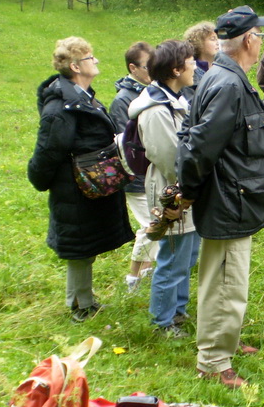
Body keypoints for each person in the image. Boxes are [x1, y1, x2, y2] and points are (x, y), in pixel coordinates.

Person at [177, 6, 264, 388]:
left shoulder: (223, 76)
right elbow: (199, 147)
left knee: (224, 280)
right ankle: (214, 362)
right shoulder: (229, 84)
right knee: (225, 284)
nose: (261, 42)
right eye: (260, 36)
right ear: (249, 40)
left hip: (234, 197)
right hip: (228, 200)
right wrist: (188, 192)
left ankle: (224, 344)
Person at [28, 37, 134, 322]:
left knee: (85, 247)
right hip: (74, 187)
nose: (95, 60)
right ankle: (78, 304)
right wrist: (38, 178)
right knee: (79, 249)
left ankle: (85, 299)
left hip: (87, 184)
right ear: (75, 66)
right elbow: (48, 150)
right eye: (90, 57)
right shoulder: (61, 107)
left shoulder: (81, 97)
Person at [128, 40, 199, 337]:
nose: (195, 65)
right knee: (171, 258)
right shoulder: (156, 109)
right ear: (175, 69)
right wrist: (190, 184)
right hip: (173, 192)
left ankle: (178, 311)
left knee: (187, 255)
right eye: (190, 61)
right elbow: (169, 157)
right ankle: (162, 322)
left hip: (187, 190)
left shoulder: (176, 99)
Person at [109, 41, 159, 291]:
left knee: (156, 223)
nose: (153, 70)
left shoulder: (151, 91)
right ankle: (133, 279)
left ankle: (147, 272)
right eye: (148, 67)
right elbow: (127, 146)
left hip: (155, 174)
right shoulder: (122, 101)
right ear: (133, 68)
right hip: (137, 178)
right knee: (151, 225)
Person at [183, 22, 219, 86]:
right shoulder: (192, 71)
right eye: (213, 39)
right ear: (199, 43)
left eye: (218, 38)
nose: (217, 42)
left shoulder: (221, 65)